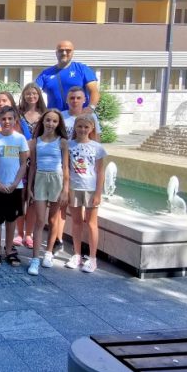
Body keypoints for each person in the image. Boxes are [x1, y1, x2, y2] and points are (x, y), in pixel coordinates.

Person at [27, 109, 70, 274]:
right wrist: (29, 188)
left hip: (56, 180)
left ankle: (49, 253)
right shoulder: (35, 142)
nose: (51, 124)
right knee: (39, 220)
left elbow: (66, 167)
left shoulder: (62, 142)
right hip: (40, 179)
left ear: (58, 124)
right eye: (48, 120)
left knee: (53, 220)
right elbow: (32, 166)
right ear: (43, 122)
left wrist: (65, 189)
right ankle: (35, 259)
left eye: (54, 121)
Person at [0, 106, 29, 268]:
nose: (6, 121)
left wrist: (15, 183)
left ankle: (9, 249)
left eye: (10, 118)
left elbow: (23, 164)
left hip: (15, 187)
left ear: (15, 120)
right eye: (3, 119)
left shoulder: (20, 139)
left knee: (11, 219)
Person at [66, 115, 106, 274]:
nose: (82, 129)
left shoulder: (97, 147)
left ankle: (93, 258)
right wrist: (66, 189)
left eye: (86, 127)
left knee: (91, 223)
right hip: (74, 187)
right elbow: (66, 168)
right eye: (80, 126)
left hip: (90, 188)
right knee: (76, 222)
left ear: (91, 128)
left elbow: (100, 171)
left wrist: (98, 193)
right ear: (75, 127)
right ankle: (77, 255)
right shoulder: (69, 145)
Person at [16, 83, 47, 250]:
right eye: (28, 93)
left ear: (39, 95)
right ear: (24, 96)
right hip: (21, 160)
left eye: (34, 93)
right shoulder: (18, 114)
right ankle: (19, 233)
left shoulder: (44, 114)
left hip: (39, 160)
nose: (31, 96)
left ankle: (29, 234)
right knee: (20, 197)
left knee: (34, 198)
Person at [35, 40, 100, 112]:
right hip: (56, 117)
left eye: (68, 51)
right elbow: (33, 92)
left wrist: (91, 108)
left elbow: (94, 91)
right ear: (56, 53)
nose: (64, 53)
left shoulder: (82, 69)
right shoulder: (46, 74)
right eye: (61, 50)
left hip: (79, 116)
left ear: (73, 52)